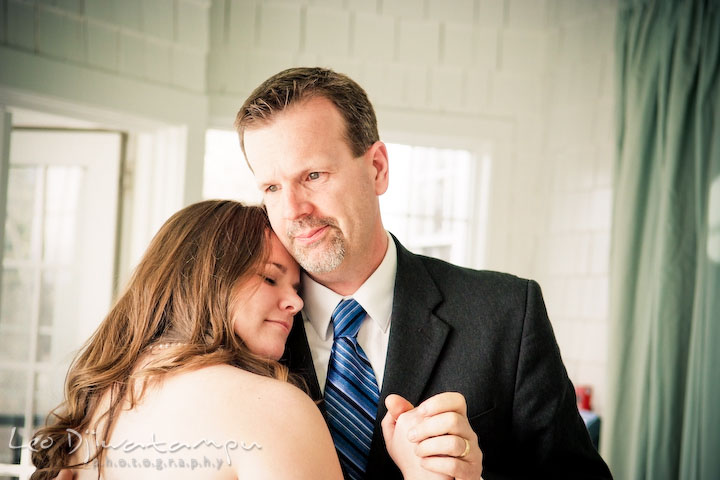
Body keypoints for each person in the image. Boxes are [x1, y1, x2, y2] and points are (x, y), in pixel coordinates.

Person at [234, 67, 614, 480]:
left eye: (313, 176)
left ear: (377, 168)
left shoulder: (506, 313)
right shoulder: (236, 328)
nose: (293, 211)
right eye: (271, 188)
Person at [31, 200, 342, 480]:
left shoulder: (97, 402)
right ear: (206, 277)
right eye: (270, 278)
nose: (296, 303)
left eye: (297, 290)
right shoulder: (276, 409)